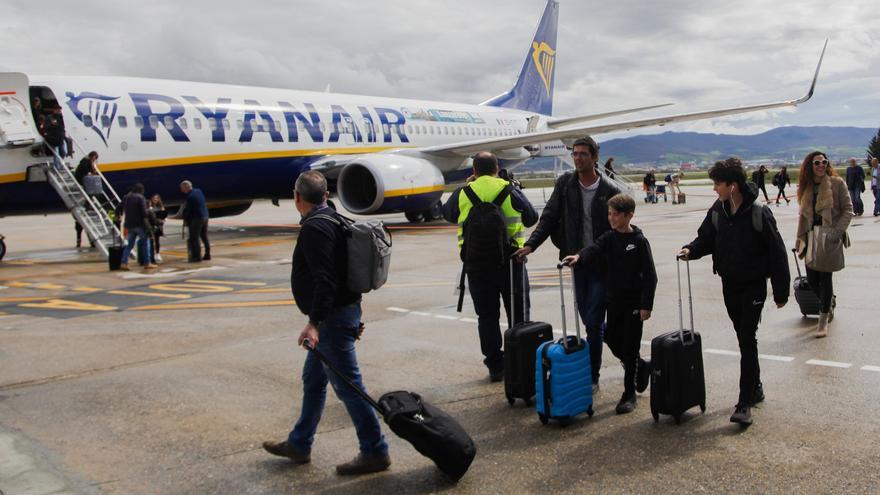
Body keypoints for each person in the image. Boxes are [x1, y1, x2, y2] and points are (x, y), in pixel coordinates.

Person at [262, 171, 390, 476]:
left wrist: (315, 323)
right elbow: (345, 272)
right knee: (314, 381)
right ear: (325, 195)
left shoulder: (315, 228)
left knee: (349, 387)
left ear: (297, 197)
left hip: (332, 319)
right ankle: (299, 443)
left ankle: (375, 450)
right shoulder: (333, 218)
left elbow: (326, 279)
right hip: (341, 314)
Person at [678, 157, 789, 426]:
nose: (714, 188)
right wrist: (691, 249)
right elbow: (706, 237)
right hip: (729, 283)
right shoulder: (719, 210)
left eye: (718, 184)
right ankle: (756, 386)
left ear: (733, 186)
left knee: (747, 337)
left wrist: (781, 291)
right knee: (743, 336)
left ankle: (744, 402)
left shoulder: (759, 212)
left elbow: (777, 252)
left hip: (753, 284)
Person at [514, 136, 622, 391]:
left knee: (593, 321)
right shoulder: (565, 184)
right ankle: (624, 345)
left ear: (594, 158)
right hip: (576, 262)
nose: (578, 158)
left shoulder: (609, 190)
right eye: (575, 153)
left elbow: (618, 230)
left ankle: (593, 376)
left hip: (602, 264)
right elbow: (549, 217)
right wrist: (531, 244)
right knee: (589, 319)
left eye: (583, 154)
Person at [443, 152, 538, 381]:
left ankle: (495, 366)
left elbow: (448, 214)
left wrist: (469, 188)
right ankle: (519, 362)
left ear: (474, 171)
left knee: (486, 317)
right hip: (511, 262)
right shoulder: (509, 189)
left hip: (477, 264)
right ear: (497, 169)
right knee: (518, 314)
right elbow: (531, 218)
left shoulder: (464, 192)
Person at [560, 193, 656, 414]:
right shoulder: (609, 238)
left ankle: (629, 394)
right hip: (614, 301)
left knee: (630, 346)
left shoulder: (639, 242)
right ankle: (640, 365)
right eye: (609, 214)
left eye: (615, 214)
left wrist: (646, 305)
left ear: (629, 215)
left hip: (634, 303)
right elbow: (593, 249)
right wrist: (579, 257)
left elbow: (650, 276)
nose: (611, 218)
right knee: (611, 337)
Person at [795, 151, 853, 338]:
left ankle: (823, 320)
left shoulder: (836, 183)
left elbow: (848, 210)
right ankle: (828, 302)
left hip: (829, 235)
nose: (821, 165)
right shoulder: (807, 187)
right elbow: (803, 216)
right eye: (817, 162)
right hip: (811, 236)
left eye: (824, 162)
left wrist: (837, 232)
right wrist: (800, 238)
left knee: (826, 278)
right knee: (812, 280)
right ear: (810, 166)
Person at [116, 183, 157, 271]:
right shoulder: (140, 197)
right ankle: (147, 263)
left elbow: (118, 207)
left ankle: (124, 263)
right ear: (141, 190)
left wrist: (118, 216)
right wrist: (149, 212)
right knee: (145, 243)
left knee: (129, 245)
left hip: (129, 225)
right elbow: (144, 212)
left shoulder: (126, 197)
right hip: (139, 224)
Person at [73, 151, 100, 248]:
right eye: (95, 158)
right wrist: (90, 171)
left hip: (82, 179)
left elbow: (91, 171)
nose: (95, 160)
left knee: (83, 230)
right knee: (89, 191)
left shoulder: (87, 162)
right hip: (81, 179)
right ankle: (87, 242)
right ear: (92, 156)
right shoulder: (85, 162)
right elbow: (85, 170)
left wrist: (93, 170)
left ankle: (87, 242)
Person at [179, 180, 211, 262]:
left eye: (182, 188)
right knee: (204, 236)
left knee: (194, 238)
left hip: (197, 218)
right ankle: (207, 254)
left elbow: (188, 211)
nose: (181, 190)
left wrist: (184, 216)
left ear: (186, 187)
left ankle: (197, 257)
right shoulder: (199, 191)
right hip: (205, 216)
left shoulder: (190, 197)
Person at [148, 194, 166, 262]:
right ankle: (151, 255)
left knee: (157, 240)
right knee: (151, 241)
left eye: (157, 198)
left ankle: (157, 254)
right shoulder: (150, 207)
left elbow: (164, 216)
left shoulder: (161, 207)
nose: (155, 199)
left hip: (158, 225)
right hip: (152, 225)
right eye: (154, 198)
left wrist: (163, 220)